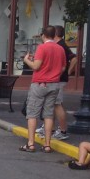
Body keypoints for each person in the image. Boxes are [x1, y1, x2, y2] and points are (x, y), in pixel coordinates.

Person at [20, 25, 66, 153]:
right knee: (49, 114)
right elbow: (63, 68)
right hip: (54, 84)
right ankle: (47, 144)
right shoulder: (60, 49)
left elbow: (36, 66)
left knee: (32, 113)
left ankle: (30, 143)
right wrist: (54, 75)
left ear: (43, 35)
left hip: (40, 83)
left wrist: (26, 60)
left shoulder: (42, 47)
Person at [36, 25, 77, 141]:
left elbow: (73, 58)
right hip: (55, 78)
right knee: (52, 104)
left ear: (56, 35)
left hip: (58, 79)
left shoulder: (61, 46)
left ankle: (63, 130)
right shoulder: (58, 46)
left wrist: (67, 72)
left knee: (57, 104)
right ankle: (50, 128)